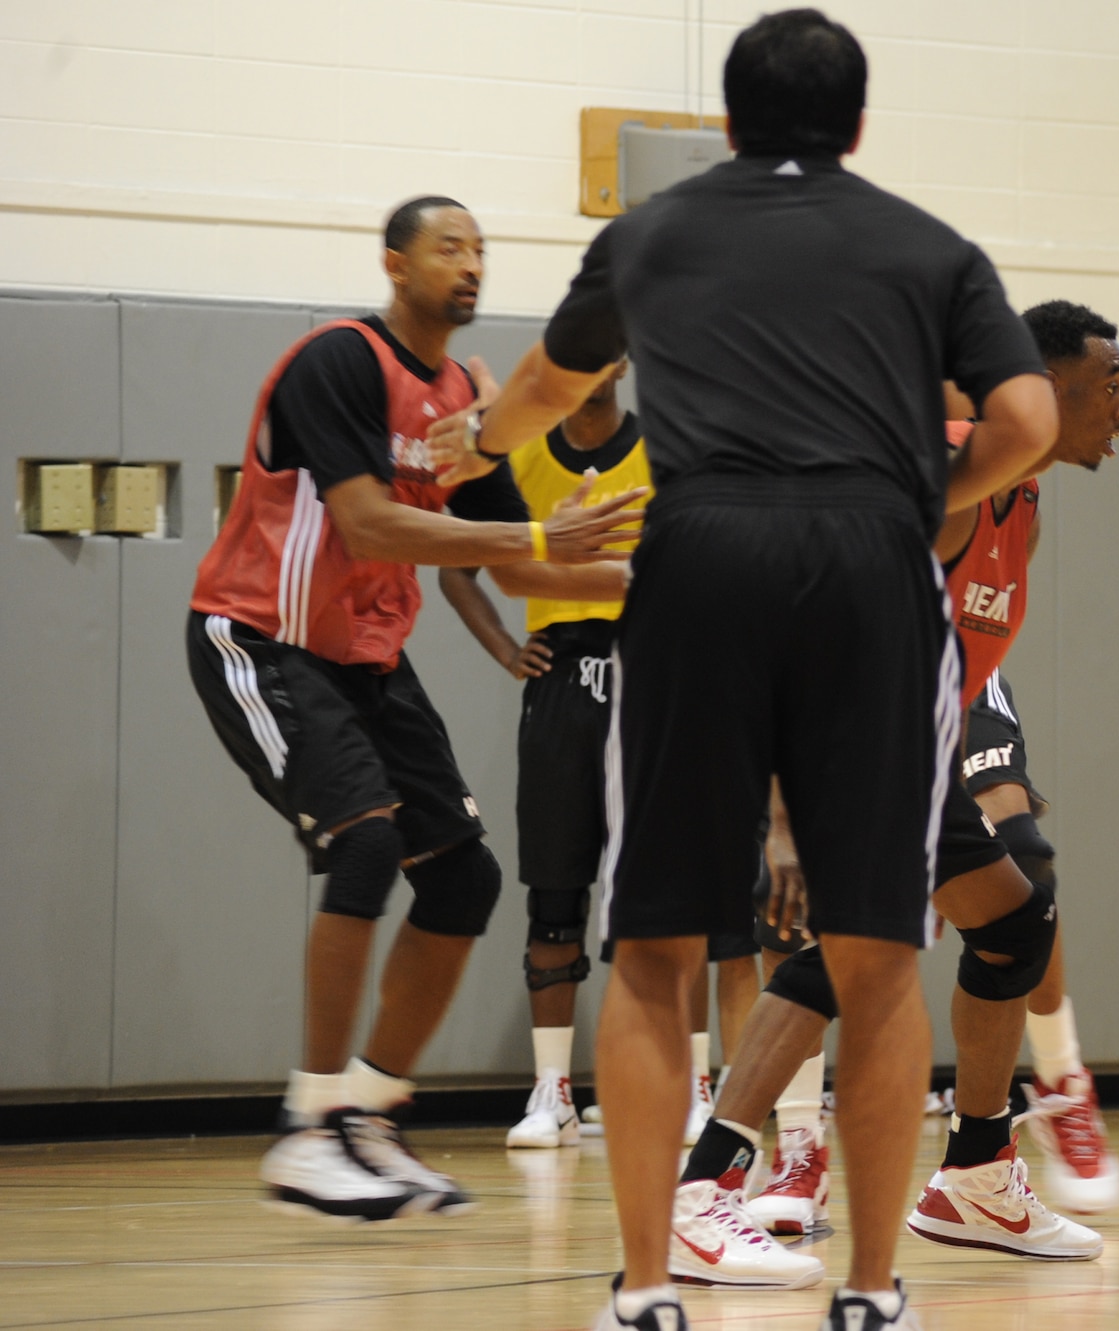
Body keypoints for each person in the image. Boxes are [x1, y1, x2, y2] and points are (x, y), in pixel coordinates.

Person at [425, 12, 1058, 1330]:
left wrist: (466, 435)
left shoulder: (653, 233)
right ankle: (875, 1291)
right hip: (872, 566)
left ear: (727, 120)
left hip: (699, 553)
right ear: (860, 124)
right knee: (877, 950)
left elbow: (548, 381)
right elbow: (1028, 421)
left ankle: (649, 1287)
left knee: (655, 945)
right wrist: (905, 494)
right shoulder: (931, 246)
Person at [185, 196, 637, 1222]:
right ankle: (306, 1130)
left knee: (465, 876)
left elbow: (494, 540)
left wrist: (628, 566)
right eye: (449, 247)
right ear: (396, 264)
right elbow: (374, 526)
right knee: (363, 844)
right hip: (263, 639)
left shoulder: (467, 395)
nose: (470, 264)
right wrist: (536, 542)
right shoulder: (338, 362)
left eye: (481, 248)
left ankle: (370, 1114)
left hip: (366, 661)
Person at [698, 302, 1119, 1262]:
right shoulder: (948, 481)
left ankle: (975, 1178)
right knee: (852, 953)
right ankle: (707, 1183)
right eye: (1112, 382)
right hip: (834, 733)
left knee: (1015, 920)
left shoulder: (1020, 500)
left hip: (911, 742)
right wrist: (782, 817)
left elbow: (958, 663)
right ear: (1048, 387)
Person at [435, 364, 762, 1151]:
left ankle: (692, 1084)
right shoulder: (516, 454)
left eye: (604, 352)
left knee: (673, 898)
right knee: (555, 889)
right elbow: (457, 567)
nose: (592, 367)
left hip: (654, 672)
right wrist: (507, 649)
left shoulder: (669, 447)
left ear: (623, 362)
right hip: (561, 683)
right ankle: (553, 1089)